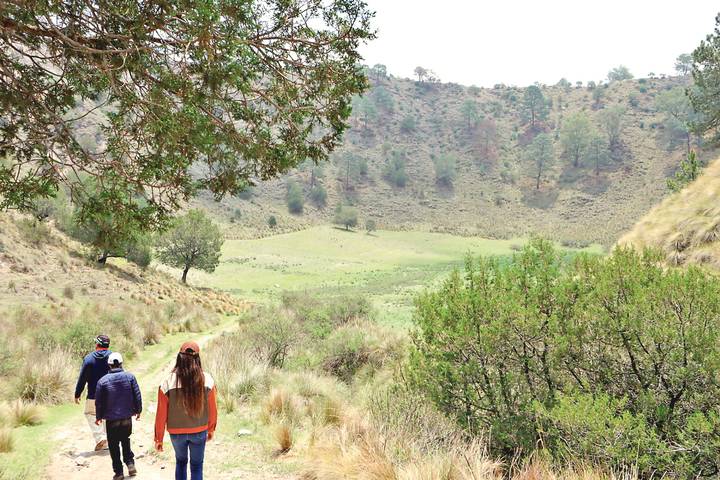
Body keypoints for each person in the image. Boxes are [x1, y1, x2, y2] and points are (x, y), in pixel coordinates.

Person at [154, 341, 217, 480]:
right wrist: (211, 429)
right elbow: (213, 409)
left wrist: (159, 438)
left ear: (179, 358)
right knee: (197, 466)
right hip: (199, 431)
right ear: (198, 358)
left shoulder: (167, 381)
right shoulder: (207, 379)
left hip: (176, 434)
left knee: (181, 463)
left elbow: (161, 414)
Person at [95, 352, 142, 480]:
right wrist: (138, 411)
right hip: (127, 418)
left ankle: (119, 472)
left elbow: (98, 402)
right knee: (125, 440)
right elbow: (137, 395)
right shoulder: (130, 377)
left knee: (114, 445)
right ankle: (130, 464)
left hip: (111, 420)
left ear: (109, 365)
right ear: (121, 363)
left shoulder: (102, 381)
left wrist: (98, 416)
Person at [74, 334, 112, 451]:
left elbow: (82, 378)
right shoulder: (113, 357)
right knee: (108, 416)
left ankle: (100, 437)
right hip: (110, 393)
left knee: (90, 413)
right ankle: (108, 440)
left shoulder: (89, 359)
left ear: (97, 344)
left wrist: (77, 393)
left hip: (93, 395)